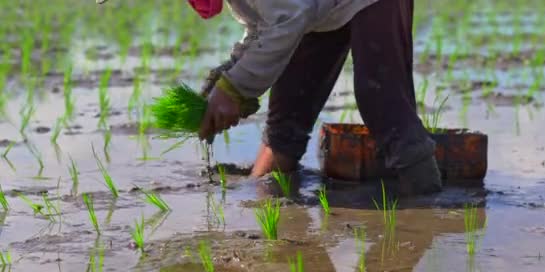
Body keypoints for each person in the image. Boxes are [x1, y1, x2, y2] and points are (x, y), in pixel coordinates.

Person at [99, 0, 443, 196]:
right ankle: (262, 196)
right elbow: (268, 22)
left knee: (380, 100)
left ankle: (433, 208)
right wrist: (227, 77)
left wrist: (235, 90)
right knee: (286, 115)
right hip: (315, 8)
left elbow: (287, 18)